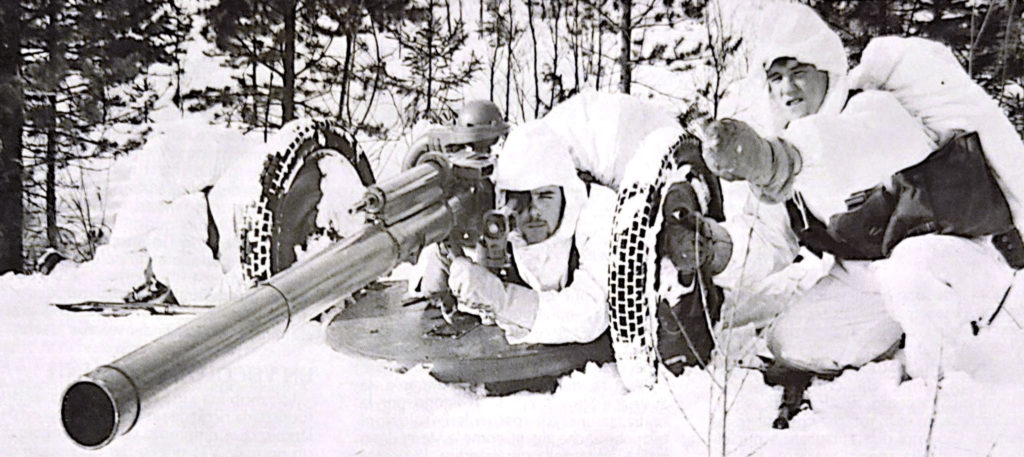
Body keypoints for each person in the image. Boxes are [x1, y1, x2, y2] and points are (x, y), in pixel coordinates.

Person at [702, 1, 1023, 404]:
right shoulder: (784, 159)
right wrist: (714, 250)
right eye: (776, 78)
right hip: (869, 276)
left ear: (826, 72)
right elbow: (765, 239)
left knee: (908, 270)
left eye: (799, 73)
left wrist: (780, 160)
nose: (787, 89)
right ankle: (902, 333)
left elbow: (852, 146)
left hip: (953, 259)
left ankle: (936, 391)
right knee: (791, 343)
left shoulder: (871, 108)